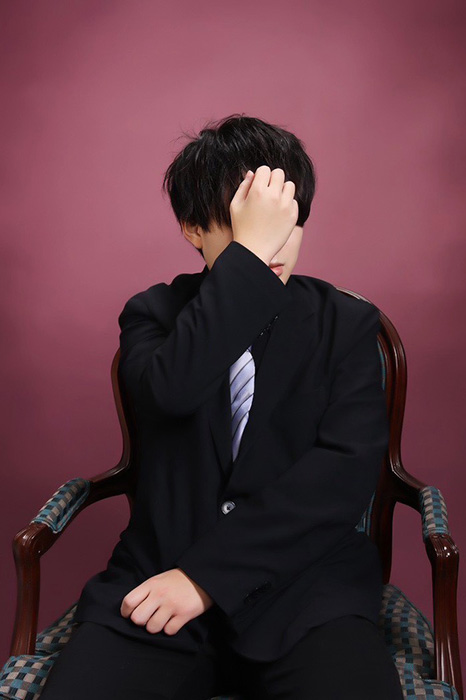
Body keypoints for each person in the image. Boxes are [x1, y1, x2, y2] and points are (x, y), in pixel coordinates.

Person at [40, 114, 404, 699]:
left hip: (307, 593)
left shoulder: (347, 324)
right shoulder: (154, 314)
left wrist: (205, 579)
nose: (275, 244)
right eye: (249, 225)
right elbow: (171, 391)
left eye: (287, 222)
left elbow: (339, 479)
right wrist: (249, 258)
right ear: (192, 228)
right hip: (158, 581)